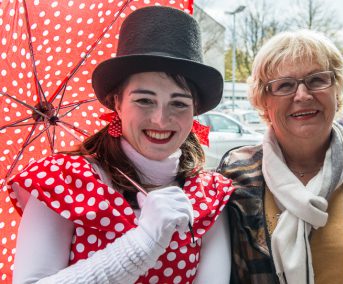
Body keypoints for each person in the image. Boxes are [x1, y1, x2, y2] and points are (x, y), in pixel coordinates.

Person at [7, 6, 233, 284]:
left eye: (179, 103)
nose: (161, 119)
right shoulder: (63, 183)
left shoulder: (209, 195)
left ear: (195, 109)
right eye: (144, 100)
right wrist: (144, 242)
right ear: (117, 102)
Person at [218, 29, 343, 284]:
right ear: (263, 101)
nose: (302, 95)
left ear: (338, 91)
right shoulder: (235, 175)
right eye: (284, 85)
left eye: (316, 80)